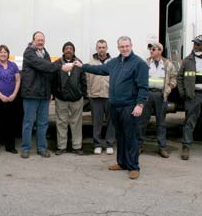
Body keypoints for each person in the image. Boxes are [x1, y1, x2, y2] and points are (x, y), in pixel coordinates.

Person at [74, 36, 148, 180]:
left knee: (131, 137)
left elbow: (143, 87)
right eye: (122, 46)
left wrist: (140, 104)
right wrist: (82, 66)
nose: (124, 49)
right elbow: (99, 69)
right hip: (115, 106)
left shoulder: (139, 63)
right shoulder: (114, 62)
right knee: (120, 136)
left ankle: (133, 167)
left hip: (130, 106)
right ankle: (121, 163)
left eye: (127, 46)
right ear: (118, 47)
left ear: (131, 45)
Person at [20, 31, 73, 159]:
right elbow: (43, 66)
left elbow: (49, 73)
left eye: (42, 40)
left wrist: (50, 92)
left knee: (43, 123)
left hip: (44, 95)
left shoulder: (45, 53)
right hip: (31, 94)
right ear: (33, 40)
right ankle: (25, 148)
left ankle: (41, 148)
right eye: (38, 40)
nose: (40, 42)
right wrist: (60, 66)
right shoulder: (28, 52)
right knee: (28, 122)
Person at [139, 42, 177, 158]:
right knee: (142, 122)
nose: (151, 51)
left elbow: (174, 77)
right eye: (151, 49)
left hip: (161, 95)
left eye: (154, 49)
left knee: (161, 123)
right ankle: (138, 145)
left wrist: (169, 87)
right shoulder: (145, 63)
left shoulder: (167, 64)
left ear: (160, 51)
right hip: (147, 95)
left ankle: (162, 147)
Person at [52, 41, 87, 155]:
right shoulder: (57, 63)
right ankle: (61, 146)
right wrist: (55, 93)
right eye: (66, 48)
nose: (68, 50)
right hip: (61, 99)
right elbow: (53, 80)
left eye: (70, 48)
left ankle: (77, 146)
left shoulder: (78, 64)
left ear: (73, 51)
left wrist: (82, 93)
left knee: (76, 123)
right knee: (61, 123)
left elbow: (83, 80)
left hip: (76, 99)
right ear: (63, 51)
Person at [0, 45, 21, 157]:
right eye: (1, 52)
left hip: (11, 99)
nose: (3, 54)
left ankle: (10, 146)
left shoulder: (13, 65)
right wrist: (1, 96)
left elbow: (17, 80)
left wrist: (14, 94)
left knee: (10, 123)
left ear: (8, 54)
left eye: (5, 52)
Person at [86, 39, 116, 155]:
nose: (101, 49)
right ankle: (97, 144)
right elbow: (88, 80)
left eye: (103, 47)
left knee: (111, 121)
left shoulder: (113, 62)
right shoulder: (91, 62)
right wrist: (89, 93)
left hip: (110, 96)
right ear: (97, 49)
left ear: (106, 48)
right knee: (96, 122)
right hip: (95, 96)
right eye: (99, 47)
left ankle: (109, 144)